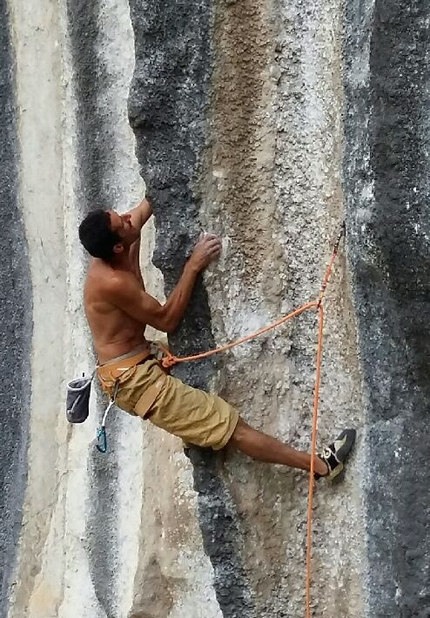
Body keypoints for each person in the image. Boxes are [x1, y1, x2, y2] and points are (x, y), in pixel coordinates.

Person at [79, 197, 355, 478]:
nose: (128, 217)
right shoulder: (112, 282)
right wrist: (192, 266)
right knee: (231, 426)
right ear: (117, 246)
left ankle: (195, 428)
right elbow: (166, 319)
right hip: (135, 382)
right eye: (121, 221)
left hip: (139, 362)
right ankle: (323, 466)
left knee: (212, 422)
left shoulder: (120, 242)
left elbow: (142, 209)